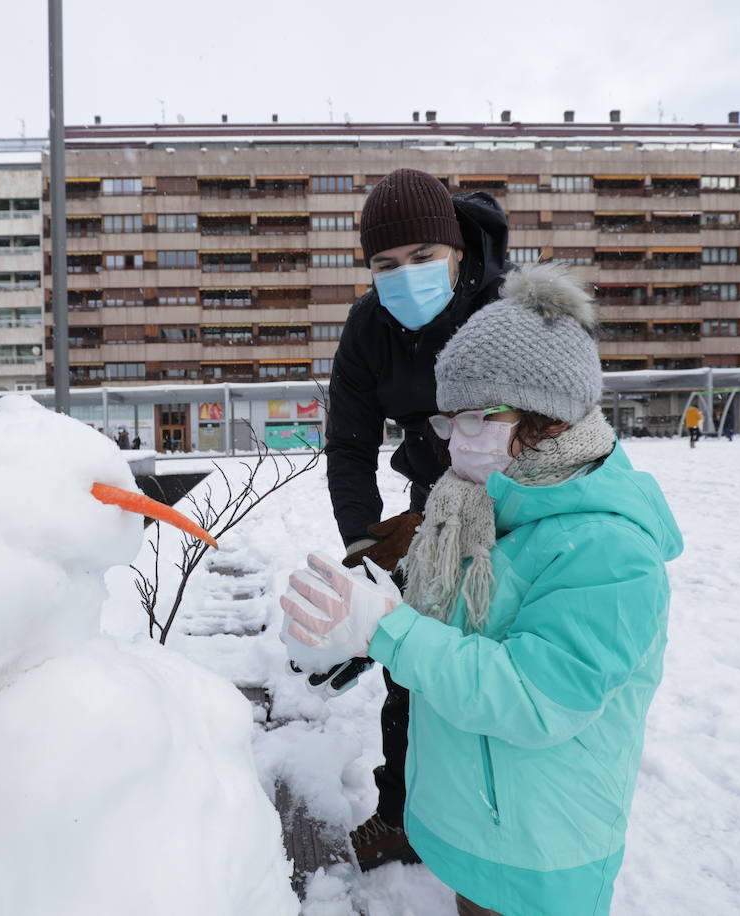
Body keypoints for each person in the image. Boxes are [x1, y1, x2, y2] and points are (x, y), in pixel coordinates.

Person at [281, 264, 681, 916]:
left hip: (544, 850)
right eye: (448, 420)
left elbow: (532, 696)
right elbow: (454, 636)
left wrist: (387, 626)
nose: (451, 441)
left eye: (473, 418)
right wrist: (357, 635)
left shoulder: (611, 550)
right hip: (483, 830)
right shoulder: (477, 507)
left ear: (547, 417)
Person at [323, 167, 511, 869]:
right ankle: (400, 813)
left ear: (457, 250)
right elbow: (348, 443)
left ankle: (496, 826)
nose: (405, 278)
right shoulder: (370, 326)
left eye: (422, 259)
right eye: (385, 265)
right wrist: (368, 544)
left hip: (517, 501)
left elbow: (550, 428)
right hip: (429, 502)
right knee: (408, 664)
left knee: (496, 663)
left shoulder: (505, 312)